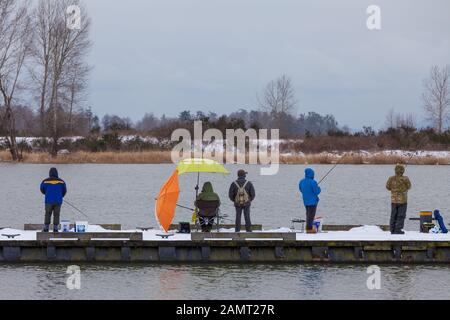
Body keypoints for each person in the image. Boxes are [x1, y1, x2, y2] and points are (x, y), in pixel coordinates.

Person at [386, 164, 411, 235]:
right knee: (401, 215)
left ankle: (392, 229)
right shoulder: (405, 178)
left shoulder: (391, 178)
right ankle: (398, 230)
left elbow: (387, 187)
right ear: (403, 171)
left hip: (393, 200)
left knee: (393, 215)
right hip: (403, 201)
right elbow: (409, 186)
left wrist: (394, 189)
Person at [40, 168, 67, 232]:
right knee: (57, 214)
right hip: (58, 201)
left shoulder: (45, 181)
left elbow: (42, 189)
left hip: (48, 201)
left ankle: (46, 228)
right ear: (57, 173)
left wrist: (46, 193)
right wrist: (61, 196)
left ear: (49, 173)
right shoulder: (61, 181)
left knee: (48, 213)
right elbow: (64, 191)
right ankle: (55, 228)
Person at [299, 168, 321, 234]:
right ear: (312, 174)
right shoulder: (313, 182)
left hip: (305, 200)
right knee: (311, 215)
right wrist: (319, 188)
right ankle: (309, 229)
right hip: (313, 201)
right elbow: (317, 191)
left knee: (308, 214)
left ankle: (308, 227)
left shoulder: (301, 181)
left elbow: (301, 189)